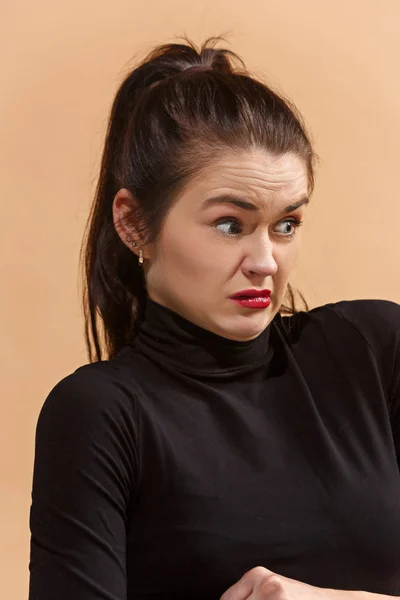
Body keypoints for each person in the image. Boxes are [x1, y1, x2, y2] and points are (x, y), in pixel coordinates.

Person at [28, 35, 400, 600]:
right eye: (231, 224)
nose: (265, 261)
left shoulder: (374, 353)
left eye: (287, 224)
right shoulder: (101, 416)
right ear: (133, 224)